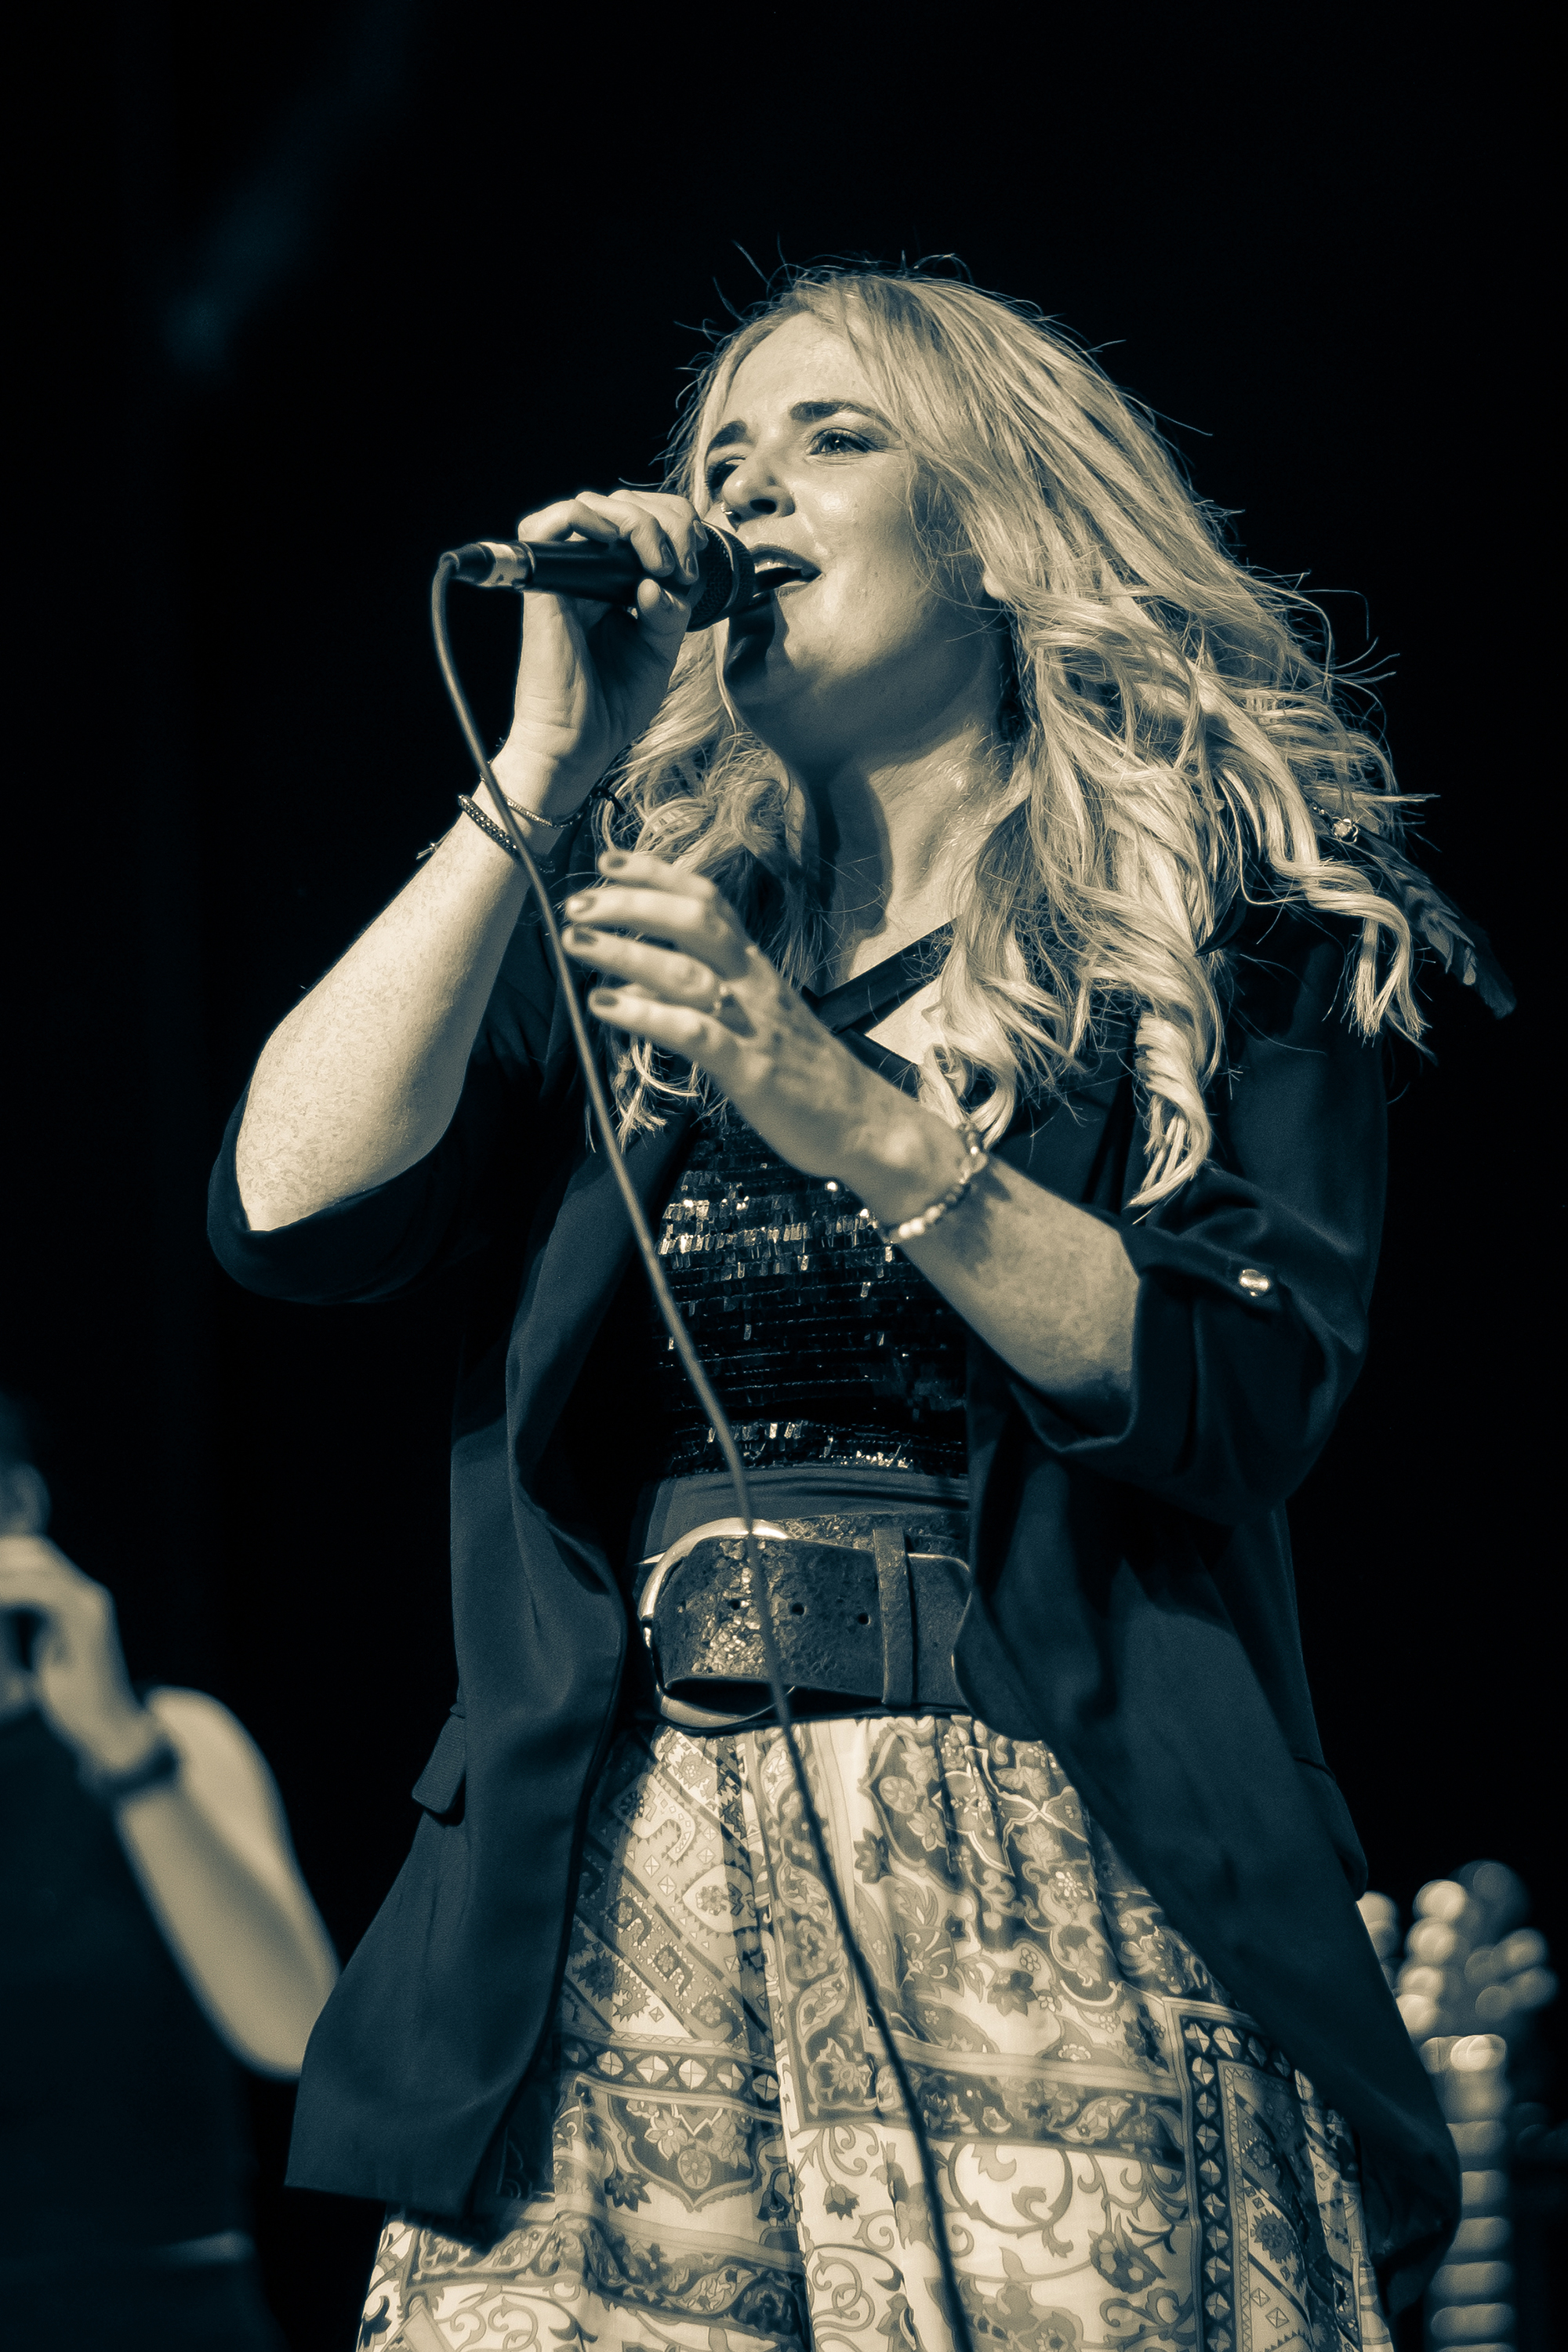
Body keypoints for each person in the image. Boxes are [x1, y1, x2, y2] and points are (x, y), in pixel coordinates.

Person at [211, 265, 1505, 2350]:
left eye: (835, 437)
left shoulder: (1216, 924)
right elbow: (287, 1209)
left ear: (997, 525)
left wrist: (842, 1110)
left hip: (1044, 1871)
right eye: (720, 454)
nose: (745, 488)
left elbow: (1238, 1393)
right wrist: (541, 769)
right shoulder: (638, 930)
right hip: (618, 1882)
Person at [0, 1392, 340, 2345]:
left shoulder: (169, 1738)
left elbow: (297, 2034)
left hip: (162, 2317)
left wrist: (120, 1746)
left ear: (18, 1506)